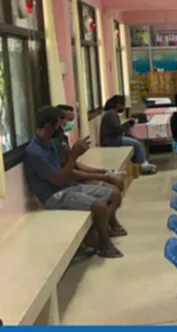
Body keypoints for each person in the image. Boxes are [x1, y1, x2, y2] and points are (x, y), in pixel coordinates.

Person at [25, 106, 125, 258]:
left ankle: (95, 234)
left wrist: (99, 174)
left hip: (68, 186)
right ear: (48, 127)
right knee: (99, 206)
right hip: (54, 195)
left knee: (115, 194)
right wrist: (74, 155)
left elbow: (67, 170)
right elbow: (58, 180)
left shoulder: (50, 145)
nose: (61, 129)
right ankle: (104, 243)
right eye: (58, 126)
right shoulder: (35, 152)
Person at [57, 104, 124, 191]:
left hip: (75, 176)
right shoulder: (55, 142)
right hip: (69, 182)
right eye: (67, 120)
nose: (67, 123)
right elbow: (69, 171)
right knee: (113, 188)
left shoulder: (63, 137)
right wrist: (103, 177)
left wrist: (100, 171)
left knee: (117, 181)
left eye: (71, 120)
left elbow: (75, 165)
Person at [100, 95, 157, 174]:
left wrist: (127, 125)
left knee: (138, 140)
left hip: (114, 138)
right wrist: (128, 125)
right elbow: (117, 129)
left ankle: (143, 162)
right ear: (118, 105)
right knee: (136, 143)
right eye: (123, 105)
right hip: (112, 140)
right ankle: (143, 165)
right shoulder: (111, 114)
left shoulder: (111, 113)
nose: (123, 107)